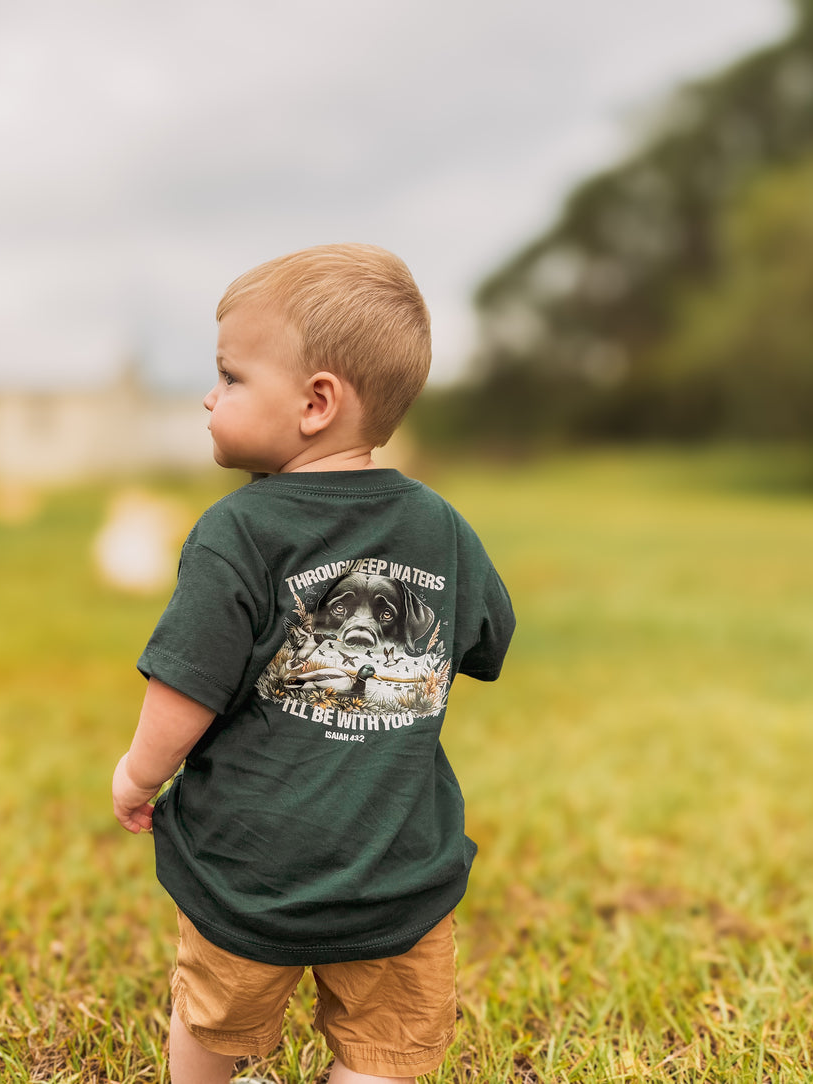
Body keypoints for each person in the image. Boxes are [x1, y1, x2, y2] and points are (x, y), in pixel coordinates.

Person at [111, 243, 515, 1084]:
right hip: (397, 871)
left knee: (216, 1017)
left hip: (249, 873)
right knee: (387, 1045)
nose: (208, 396)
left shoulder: (238, 532)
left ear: (315, 402)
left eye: (229, 377)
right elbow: (487, 639)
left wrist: (137, 774)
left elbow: (186, 683)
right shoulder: (439, 527)